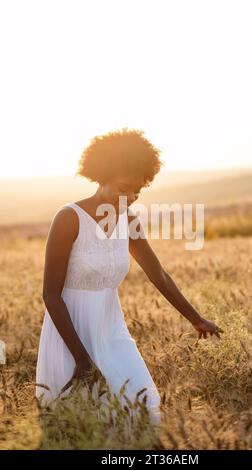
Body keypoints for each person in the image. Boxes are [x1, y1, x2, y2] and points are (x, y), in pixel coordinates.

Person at [35, 127, 223, 428]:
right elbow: (51, 295)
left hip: (112, 329)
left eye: (138, 190)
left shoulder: (129, 221)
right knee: (82, 424)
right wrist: (81, 359)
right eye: (123, 188)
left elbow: (158, 274)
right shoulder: (69, 218)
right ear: (101, 177)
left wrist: (196, 319)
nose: (131, 197)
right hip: (70, 333)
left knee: (143, 406)